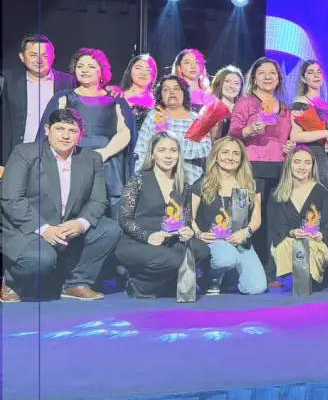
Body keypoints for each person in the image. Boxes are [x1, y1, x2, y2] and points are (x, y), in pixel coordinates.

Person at [1, 109, 120, 302]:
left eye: (72, 131)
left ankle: (76, 283)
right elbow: (11, 199)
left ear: (81, 134)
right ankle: (12, 281)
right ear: (47, 130)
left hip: (67, 227)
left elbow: (98, 200)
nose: (65, 135)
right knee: (40, 259)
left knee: (109, 229)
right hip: (29, 228)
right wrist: (44, 228)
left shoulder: (92, 158)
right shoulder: (25, 153)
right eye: (60, 129)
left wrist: (81, 223)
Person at [39, 48, 134, 218]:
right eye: (80, 66)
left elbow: (125, 132)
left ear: (102, 71)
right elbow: (52, 130)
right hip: (72, 159)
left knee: (110, 211)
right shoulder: (63, 97)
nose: (84, 70)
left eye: (91, 66)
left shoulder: (115, 100)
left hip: (108, 160)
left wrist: (104, 153)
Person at [115, 131, 211, 298]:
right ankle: (138, 285)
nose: (168, 156)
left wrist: (188, 230)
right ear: (153, 155)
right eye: (162, 150)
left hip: (170, 241)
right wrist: (148, 236)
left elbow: (185, 220)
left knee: (201, 250)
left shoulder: (183, 185)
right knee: (173, 260)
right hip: (137, 242)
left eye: (173, 151)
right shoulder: (138, 180)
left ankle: (164, 286)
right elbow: (124, 218)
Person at [229, 57, 295, 284]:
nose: (268, 77)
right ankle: (238, 271)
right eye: (262, 73)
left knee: (271, 220)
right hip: (252, 166)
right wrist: (249, 130)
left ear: (278, 79)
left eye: (272, 73)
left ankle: (268, 272)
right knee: (246, 218)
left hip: (278, 168)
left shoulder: (285, 108)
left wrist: (289, 147)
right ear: (254, 78)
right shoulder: (246, 102)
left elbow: (285, 138)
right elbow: (233, 133)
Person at [191, 136, 266, 295]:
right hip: (213, 242)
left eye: (235, 153)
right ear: (216, 156)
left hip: (240, 241)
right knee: (226, 257)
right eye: (225, 152)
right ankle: (209, 279)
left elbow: (256, 218)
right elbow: (189, 216)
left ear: (241, 158)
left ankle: (227, 276)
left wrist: (246, 232)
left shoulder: (250, 184)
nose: (230, 157)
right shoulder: (202, 184)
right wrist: (198, 234)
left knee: (256, 288)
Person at [268, 146, 328, 290]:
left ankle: (311, 276)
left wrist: (321, 234)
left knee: (309, 246)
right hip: (291, 241)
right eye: (297, 162)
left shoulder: (321, 192)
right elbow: (276, 226)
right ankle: (296, 274)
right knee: (284, 244)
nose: (302, 167)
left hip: (317, 242)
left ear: (313, 166)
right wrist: (292, 232)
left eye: (307, 163)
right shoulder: (278, 194)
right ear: (289, 164)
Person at [0, 34, 75, 169]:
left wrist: (112, 91)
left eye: (45, 56)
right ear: (22, 57)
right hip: (14, 156)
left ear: (53, 57)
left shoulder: (67, 82)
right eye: (33, 55)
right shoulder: (7, 79)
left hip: (54, 156)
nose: (39, 60)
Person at [134, 75, 213, 185]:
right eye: (166, 89)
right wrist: (139, 179)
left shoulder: (195, 119)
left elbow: (205, 149)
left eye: (176, 88)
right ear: (161, 95)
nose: (171, 92)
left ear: (184, 93)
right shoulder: (154, 116)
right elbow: (141, 150)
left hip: (189, 179)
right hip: (156, 179)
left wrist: (174, 148)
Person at [289, 60, 328, 190]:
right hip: (310, 156)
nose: (316, 75)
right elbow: (295, 136)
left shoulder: (324, 104)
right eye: (310, 72)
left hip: (326, 157)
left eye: (319, 72)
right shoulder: (301, 101)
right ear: (303, 79)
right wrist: (326, 133)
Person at [119, 53, 158, 128]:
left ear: (154, 75)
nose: (143, 73)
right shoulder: (116, 96)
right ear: (130, 71)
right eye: (138, 68)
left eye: (148, 70)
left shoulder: (159, 102)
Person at [208, 65, 244, 141]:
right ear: (219, 83)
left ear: (241, 87)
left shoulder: (243, 111)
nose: (231, 86)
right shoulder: (209, 109)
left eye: (236, 83)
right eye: (227, 81)